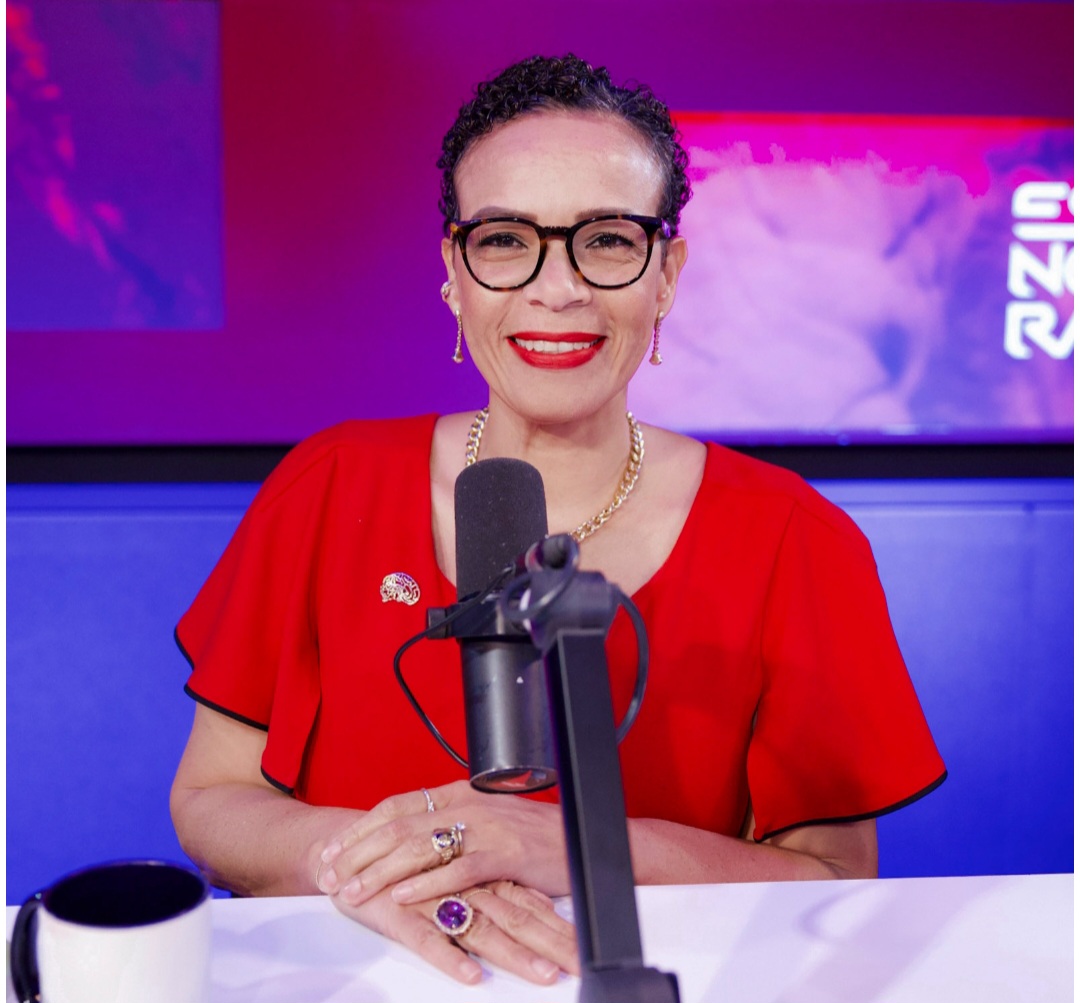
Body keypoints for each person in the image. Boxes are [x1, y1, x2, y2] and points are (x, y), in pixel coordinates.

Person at [170, 54, 946, 987]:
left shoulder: (795, 538)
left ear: (667, 274)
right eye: (506, 240)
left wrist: (560, 843)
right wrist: (385, 862)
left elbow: (833, 877)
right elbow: (212, 798)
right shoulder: (330, 484)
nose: (558, 287)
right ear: (454, 272)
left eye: (607, 240)